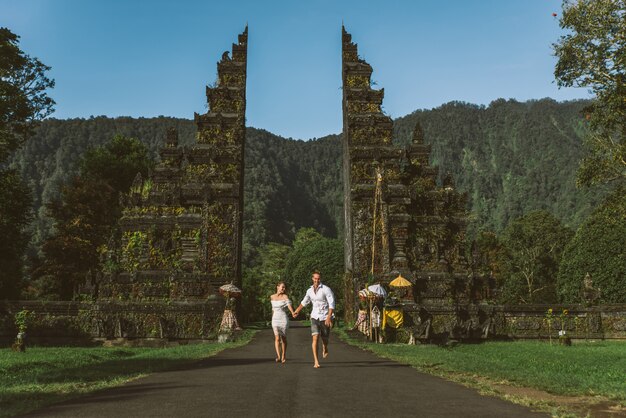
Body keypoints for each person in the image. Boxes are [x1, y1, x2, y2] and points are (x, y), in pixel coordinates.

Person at [293, 271, 335, 368]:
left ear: (320, 279)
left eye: (318, 279)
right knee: (315, 338)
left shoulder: (326, 289)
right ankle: (316, 361)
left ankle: (325, 346)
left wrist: (329, 317)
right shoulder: (309, 291)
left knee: (325, 338)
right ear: (312, 279)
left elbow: (331, 303)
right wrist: (297, 311)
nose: (317, 280)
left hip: (325, 317)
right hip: (314, 317)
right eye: (315, 278)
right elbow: (305, 302)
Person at [270, 281, 296, 363]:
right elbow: (273, 309)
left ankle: (283, 355)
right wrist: (272, 318)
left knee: (283, 338)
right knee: (277, 338)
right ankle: (278, 356)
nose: (283, 289)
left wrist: (292, 312)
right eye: (282, 287)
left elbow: (289, 306)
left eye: (284, 288)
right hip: (275, 319)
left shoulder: (285, 296)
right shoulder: (272, 297)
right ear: (278, 287)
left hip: (283, 319)